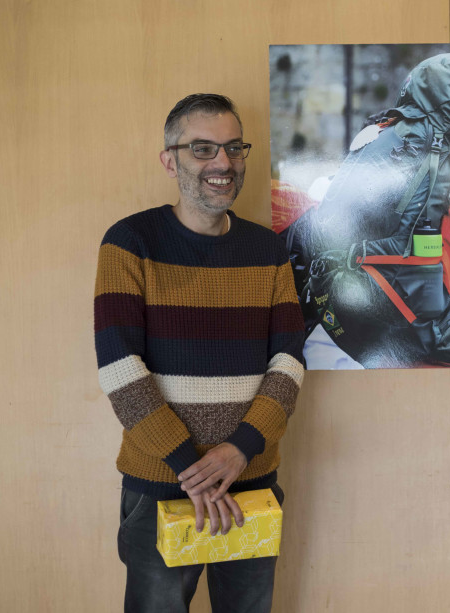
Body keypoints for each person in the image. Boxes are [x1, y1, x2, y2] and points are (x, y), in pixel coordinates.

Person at [94, 93, 306, 612]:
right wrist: (193, 470)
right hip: (162, 484)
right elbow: (122, 370)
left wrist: (239, 450)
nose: (223, 164)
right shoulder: (129, 243)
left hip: (250, 478)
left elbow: (289, 362)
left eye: (234, 148)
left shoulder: (268, 250)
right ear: (170, 160)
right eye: (203, 149)